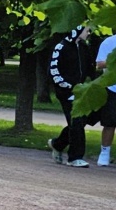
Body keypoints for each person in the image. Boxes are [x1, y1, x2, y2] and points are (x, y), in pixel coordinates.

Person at [48, 25, 97, 166]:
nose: (88, 33)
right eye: (86, 30)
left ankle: (57, 144)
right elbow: (54, 71)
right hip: (66, 93)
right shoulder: (60, 47)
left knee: (82, 120)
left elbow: (89, 68)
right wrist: (69, 87)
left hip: (82, 91)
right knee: (76, 121)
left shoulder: (83, 48)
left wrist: (91, 83)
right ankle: (75, 157)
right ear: (77, 30)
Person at [97, 29, 116, 168]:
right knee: (109, 123)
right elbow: (100, 64)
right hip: (112, 87)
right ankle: (104, 153)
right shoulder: (109, 42)